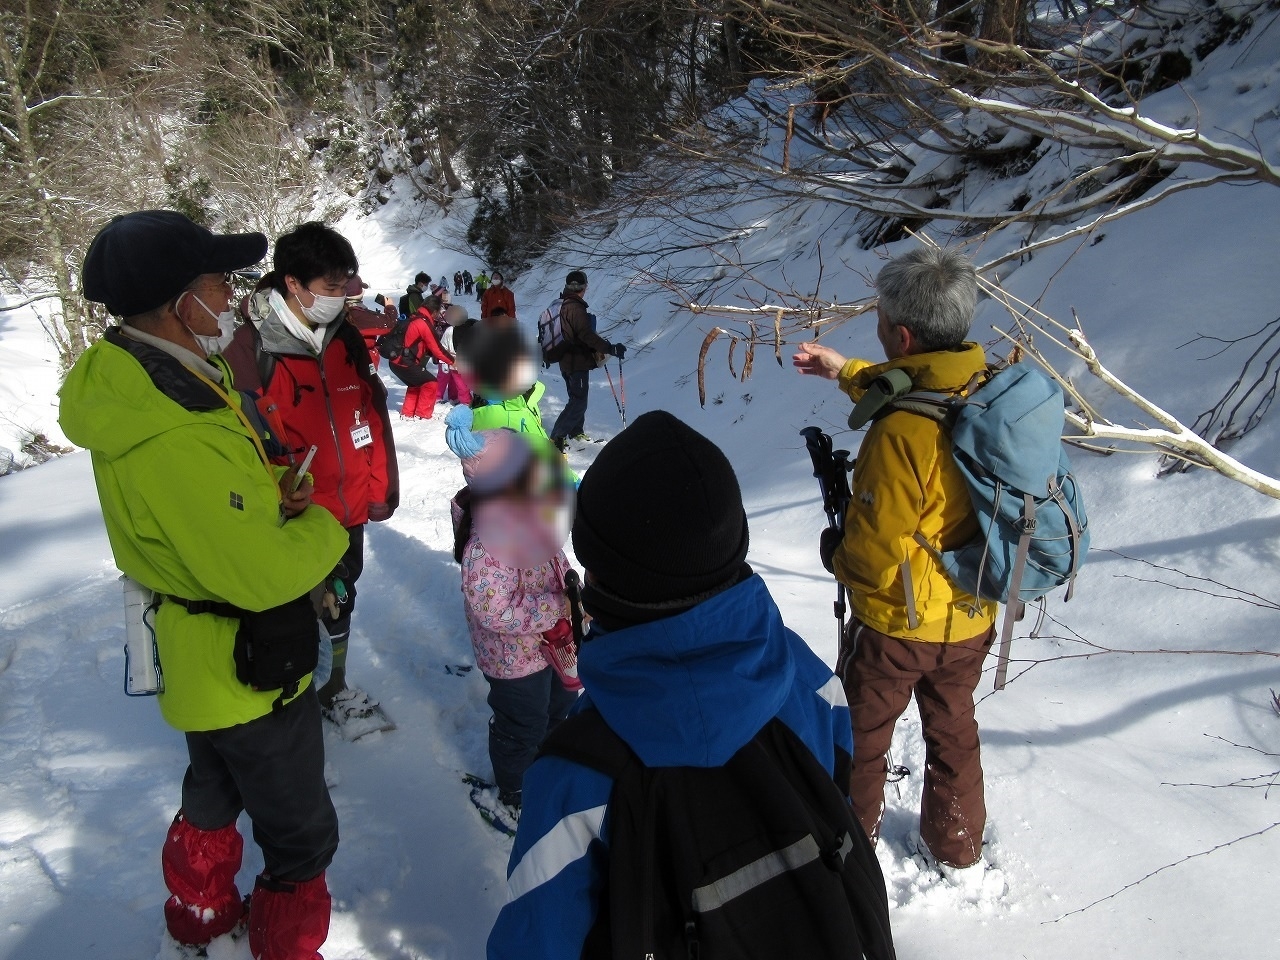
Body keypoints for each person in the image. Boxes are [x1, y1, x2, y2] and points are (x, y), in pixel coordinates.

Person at [58, 210, 350, 960]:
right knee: (300, 834)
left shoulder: (152, 379)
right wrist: (324, 525)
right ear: (177, 303)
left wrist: (266, 493)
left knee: (212, 793)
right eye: (219, 283)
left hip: (200, 657)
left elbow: (214, 512)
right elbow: (256, 575)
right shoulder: (173, 428)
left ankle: (198, 919)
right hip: (248, 664)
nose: (231, 297)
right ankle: (284, 947)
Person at [488, 411, 859, 959]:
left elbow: (535, 942)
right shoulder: (807, 676)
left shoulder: (575, 770)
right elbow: (836, 794)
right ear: (734, 550)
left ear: (601, 587)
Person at [793, 246, 997, 871]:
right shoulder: (988, 390)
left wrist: (836, 555)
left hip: (894, 628)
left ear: (901, 336)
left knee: (861, 735)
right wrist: (843, 370)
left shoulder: (899, 433)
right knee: (954, 729)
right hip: (972, 614)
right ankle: (957, 846)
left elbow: (874, 558)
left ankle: (848, 853)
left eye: (881, 322)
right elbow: (916, 381)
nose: (876, 331)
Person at [225, 223, 400, 736]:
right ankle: (289, 714)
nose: (341, 298)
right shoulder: (249, 348)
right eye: (329, 289)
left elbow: (369, 415)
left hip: (347, 510)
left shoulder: (344, 337)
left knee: (341, 600)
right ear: (293, 284)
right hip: (291, 518)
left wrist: (379, 491)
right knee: (287, 618)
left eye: (346, 286)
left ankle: (334, 688)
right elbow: (239, 442)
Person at [450, 427, 579, 810]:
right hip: (513, 659)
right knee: (522, 725)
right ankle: (515, 793)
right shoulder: (486, 544)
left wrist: (571, 589)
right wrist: (557, 607)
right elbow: (495, 610)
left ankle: (547, 764)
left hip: (550, 645)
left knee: (559, 707)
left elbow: (554, 558)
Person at [547, 269, 624, 451]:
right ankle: (557, 436)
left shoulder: (560, 304)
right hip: (575, 360)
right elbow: (585, 334)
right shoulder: (574, 306)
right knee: (579, 400)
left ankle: (575, 431)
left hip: (565, 359)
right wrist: (609, 348)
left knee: (576, 397)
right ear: (584, 287)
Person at [400, 294, 453, 419]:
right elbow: (437, 349)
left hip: (400, 359)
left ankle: (408, 412)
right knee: (431, 383)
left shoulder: (415, 316)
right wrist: (452, 361)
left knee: (415, 383)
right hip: (405, 360)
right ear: (434, 311)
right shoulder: (423, 323)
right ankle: (423, 414)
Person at [347, 278, 396, 371]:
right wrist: (390, 307)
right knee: (369, 383)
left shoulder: (340, 311)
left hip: (350, 360)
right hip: (364, 361)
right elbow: (389, 324)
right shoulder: (358, 314)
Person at [436, 304, 473, 406]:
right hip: (452, 359)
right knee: (458, 382)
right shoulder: (450, 331)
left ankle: (454, 397)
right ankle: (465, 401)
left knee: (458, 382)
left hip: (460, 360)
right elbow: (443, 347)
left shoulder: (468, 329)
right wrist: (443, 361)